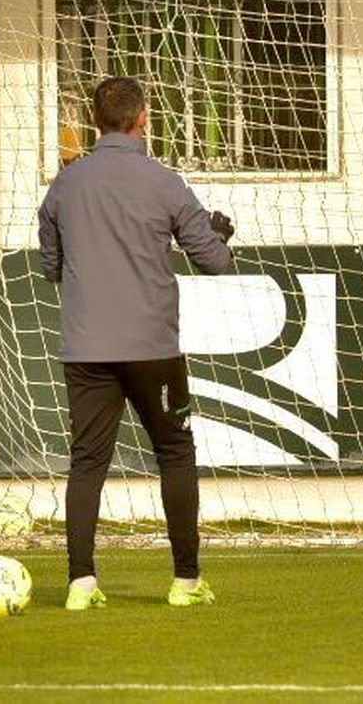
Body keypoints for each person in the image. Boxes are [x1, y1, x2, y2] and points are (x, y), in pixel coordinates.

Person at [38, 76, 235, 608]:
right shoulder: (165, 182)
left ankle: (81, 583)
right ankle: (186, 582)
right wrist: (220, 231)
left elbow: (50, 265)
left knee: (87, 463)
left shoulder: (64, 185)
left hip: (86, 347)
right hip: (152, 347)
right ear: (143, 119)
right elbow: (215, 262)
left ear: (94, 122)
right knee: (174, 451)